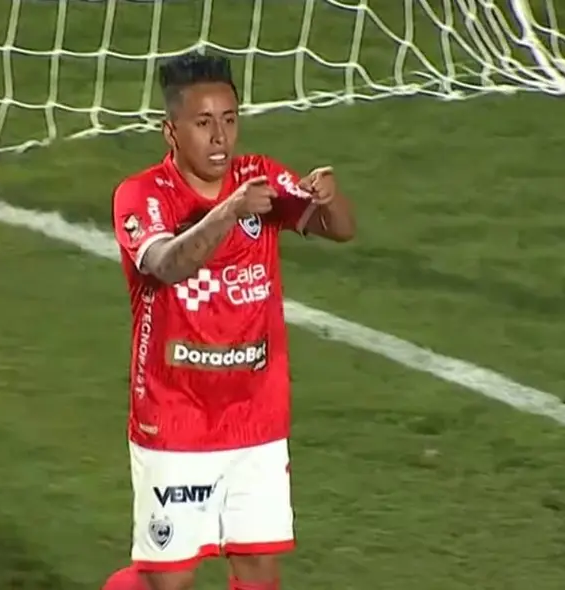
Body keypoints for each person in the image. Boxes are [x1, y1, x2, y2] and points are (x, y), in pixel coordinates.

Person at [105, 52, 356, 590]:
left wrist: (331, 199)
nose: (220, 137)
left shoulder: (258, 177)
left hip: (255, 414)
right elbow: (166, 266)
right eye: (203, 123)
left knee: (260, 573)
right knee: (166, 581)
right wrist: (230, 212)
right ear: (170, 131)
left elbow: (340, 229)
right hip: (175, 417)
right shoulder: (142, 195)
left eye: (229, 119)